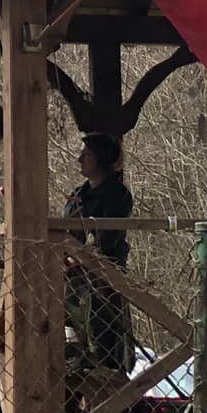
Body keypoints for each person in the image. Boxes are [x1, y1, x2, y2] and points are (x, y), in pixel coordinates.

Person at [66, 133, 133, 372]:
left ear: (101, 158)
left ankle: (106, 375)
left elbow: (108, 238)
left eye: (86, 154)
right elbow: (67, 231)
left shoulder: (116, 194)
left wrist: (82, 255)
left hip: (102, 278)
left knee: (104, 337)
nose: (79, 159)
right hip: (71, 278)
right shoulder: (78, 194)